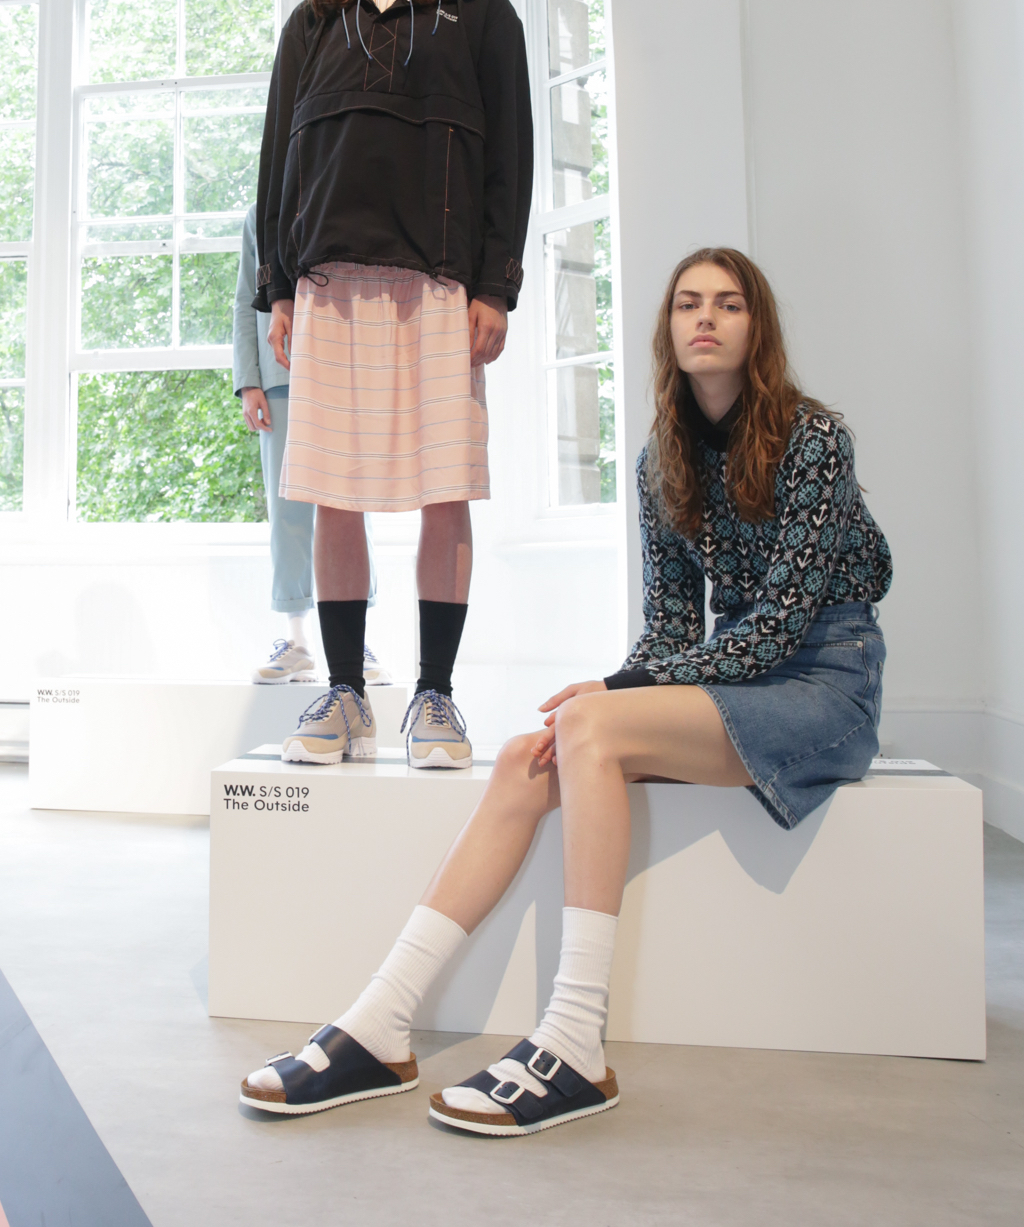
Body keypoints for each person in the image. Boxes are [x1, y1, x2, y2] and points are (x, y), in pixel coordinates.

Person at [238, 246, 893, 1134]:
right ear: (668, 329)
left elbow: (779, 629)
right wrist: (621, 685)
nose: (705, 318)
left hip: (825, 684)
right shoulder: (662, 461)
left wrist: (619, 695)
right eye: (687, 303)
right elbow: (671, 632)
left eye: (729, 304)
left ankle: (577, 1038)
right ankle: (381, 1022)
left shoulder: (813, 440)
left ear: (757, 328)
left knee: (589, 725)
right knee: (526, 755)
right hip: (734, 678)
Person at [252, 0, 532, 769]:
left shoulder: (481, 12)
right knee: (334, 494)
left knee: (444, 491)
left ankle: (435, 697)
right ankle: (343, 693)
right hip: (329, 282)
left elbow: (511, 158)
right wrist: (278, 287)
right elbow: (277, 162)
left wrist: (496, 284)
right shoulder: (314, 20)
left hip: (438, 283)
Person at [232, 203, 389, 693]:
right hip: (278, 378)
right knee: (288, 512)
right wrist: (248, 381)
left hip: (344, 369)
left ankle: (355, 641)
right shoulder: (261, 214)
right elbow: (245, 300)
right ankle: (296, 640)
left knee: (351, 504)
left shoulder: (341, 199)